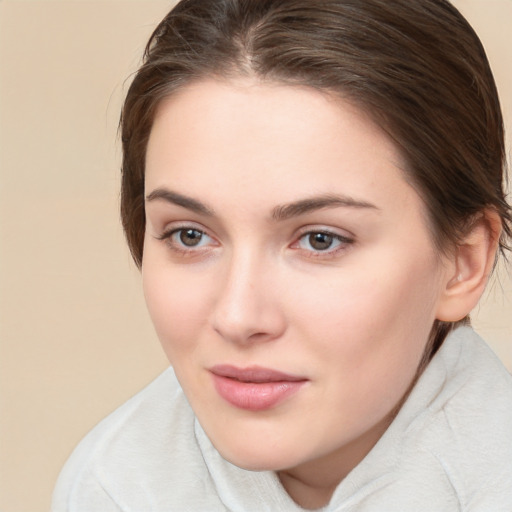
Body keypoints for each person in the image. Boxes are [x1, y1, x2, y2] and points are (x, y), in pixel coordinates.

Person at [52, 0, 512, 510]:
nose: (238, 317)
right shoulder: (110, 485)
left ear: (463, 262)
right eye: (189, 235)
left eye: (320, 239)